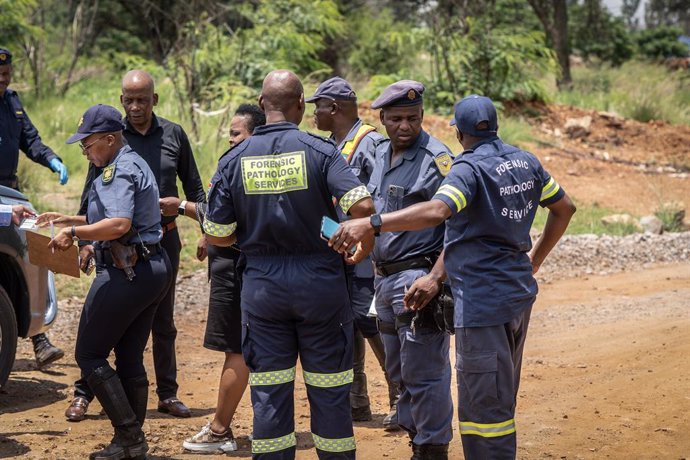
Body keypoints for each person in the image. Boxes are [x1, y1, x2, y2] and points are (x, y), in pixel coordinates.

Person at [330, 95, 577, 460]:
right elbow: (565, 207)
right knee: (500, 392)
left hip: (482, 302)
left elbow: (438, 210)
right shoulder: (526, 160)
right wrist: (534, 260)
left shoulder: (468, 167)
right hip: (517, 293)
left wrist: (373, 222)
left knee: (483, 407)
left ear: (458, 133)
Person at [204, 70, 375, 460]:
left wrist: (248, 241)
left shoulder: (234, 159)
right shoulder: (322, 151)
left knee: (269, 395)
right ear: (300, 105)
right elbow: (363, 207)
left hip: (263, 288)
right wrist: (356, 241)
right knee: (331, 394)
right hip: (321, 285)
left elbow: (215, 232)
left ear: (262, 106)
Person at [65, 70, 206, 422]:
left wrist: (206, 229)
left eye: (142, 99)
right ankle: (85, 393)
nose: (135, 106)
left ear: (154, 99)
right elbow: (92, 195)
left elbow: (195, 188)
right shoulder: (109, 140)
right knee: (110, 324)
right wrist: (83, 238)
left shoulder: (171, 135)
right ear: (121, 101)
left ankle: (167, 394)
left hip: (161, 239)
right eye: (128, 99)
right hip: (116, 245)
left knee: (161, 321)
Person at [36, 104, 172, 459]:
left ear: (110, 140)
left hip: (128, 272)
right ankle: (133, 443)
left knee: (89, 353)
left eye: (88, 145)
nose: (85, 153)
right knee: (128, 356)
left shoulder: (118, 170)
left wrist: (74, 232)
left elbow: (119, 224)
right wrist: (68, 216)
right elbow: (114, 216)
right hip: (151, 268)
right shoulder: (128, 162)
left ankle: (129, 438)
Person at [339, 79, 455, 459]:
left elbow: (458, 228)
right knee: (399, 374)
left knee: (426, 372)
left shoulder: (438, 160)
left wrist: (435, 278)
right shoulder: (378, 154)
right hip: (383, 280)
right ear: (383, 119)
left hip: (416, 278)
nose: (405, 126)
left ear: (422, 116)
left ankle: (431, 448)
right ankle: (417, 438)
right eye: (396, 119)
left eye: (413, 118)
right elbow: (375, 212)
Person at [306, 76, 399, 427]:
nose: (313, 114)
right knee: (349, 323)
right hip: (339, 248)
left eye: (318, 107)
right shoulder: (331, 144)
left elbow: (380, 199)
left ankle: (399, 398)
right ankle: (357, 401)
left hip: (367, 250)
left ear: (335, 108)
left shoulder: (370, 143)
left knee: (370, 320)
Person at [183, 103, 266, 453]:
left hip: (236, 271)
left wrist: (183, 208)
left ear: (254, 133)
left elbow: (236, 223)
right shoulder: (232, 161)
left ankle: (220, 430)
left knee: (238, 348)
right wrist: (206, 235)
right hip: (228, 268)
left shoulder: (245, 165)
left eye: (236, 133)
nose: (230, 138)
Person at [0, 47, 67, 369]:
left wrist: (52, 160)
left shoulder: (12, 101)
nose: (3, 80)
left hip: (9, 190)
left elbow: (30, 139)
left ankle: (39, 337)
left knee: (35, 244)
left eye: (6, 75)